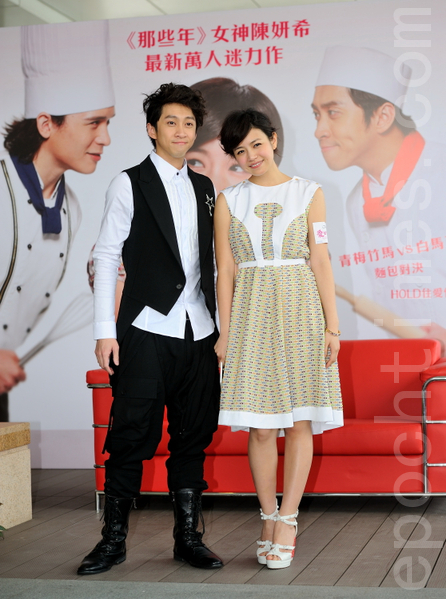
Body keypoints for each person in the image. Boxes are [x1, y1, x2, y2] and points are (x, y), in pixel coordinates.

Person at [77, 83, 223, 575]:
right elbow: (106, 255)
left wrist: (223, 330)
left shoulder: (205, 187)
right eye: (170, 122)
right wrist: (105, 330)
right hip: (144, 329)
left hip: (198, 331)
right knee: (129, 436)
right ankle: (112, 541)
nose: (181, 131)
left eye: (189, 123)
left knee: (192, 437)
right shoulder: (128, 183)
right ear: (151, 129)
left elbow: (212, 263)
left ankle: (188, 539)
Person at [214, 109, 343, 570]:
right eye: (239, 151)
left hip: (302, 314)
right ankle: (267, 516)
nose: (250, 155)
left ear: (272, 139)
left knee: (300, 422)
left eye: (256, 144)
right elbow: (225, 271)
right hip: (250, 316)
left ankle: (288, 520)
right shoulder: (228, 200)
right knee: (261, 427)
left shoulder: (309, 192)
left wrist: (332, 326)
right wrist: (225, 333)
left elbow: (321, 260)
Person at [0, 21, 115, 420]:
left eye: (108, 123)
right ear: (47, 124)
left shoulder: (73, 208)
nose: (106, 138)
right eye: (94, 123)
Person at [312, 46, 446, 349]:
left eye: (333, 113)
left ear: (383, 116)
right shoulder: (355, 202)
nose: (319, 130)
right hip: (409, 359)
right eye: (317, 115)